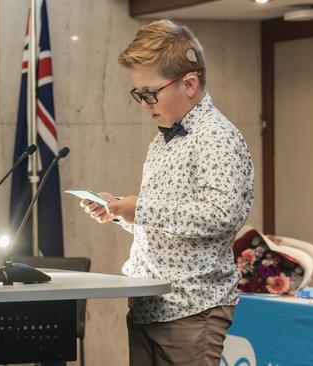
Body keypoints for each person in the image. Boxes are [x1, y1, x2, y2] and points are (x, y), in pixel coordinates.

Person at [79, 19, 254, 365]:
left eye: (150, 92)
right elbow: (170, 225)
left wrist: (140, 209)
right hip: (149, 302)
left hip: (192, 306)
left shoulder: (216, 136)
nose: (144, 103)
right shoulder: (162, 139)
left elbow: (221, 215)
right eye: (138, 94)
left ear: (189, 83)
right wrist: (119, 212)